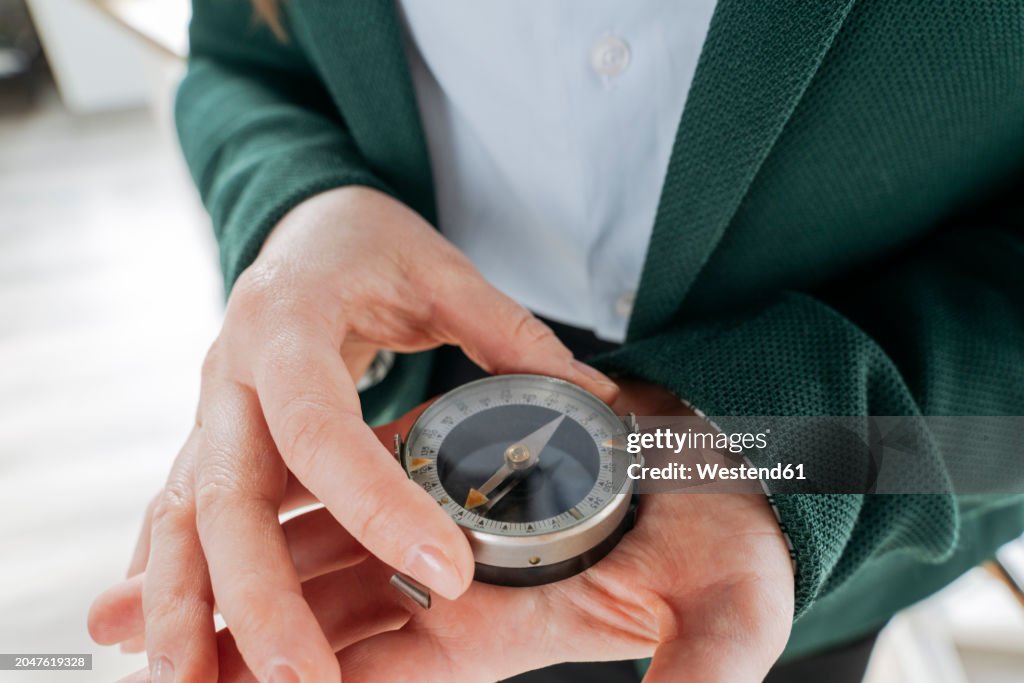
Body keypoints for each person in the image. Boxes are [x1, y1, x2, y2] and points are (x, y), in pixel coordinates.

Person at [88, 1, 1024, 682]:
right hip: (418, 410)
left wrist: (787, 448)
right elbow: (242, 57)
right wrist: (305, 206)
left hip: (838, 495)